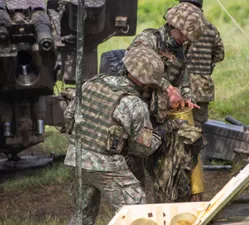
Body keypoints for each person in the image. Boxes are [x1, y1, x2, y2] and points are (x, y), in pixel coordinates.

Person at [64, 46, 184, 225]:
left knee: (83, 216)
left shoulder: (91, 83)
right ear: (149, 83)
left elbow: (68, 116)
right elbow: (142, 149)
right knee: (138, 212)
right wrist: (161, 131)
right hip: (106, 165)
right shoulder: (134, 105)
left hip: (75, 157)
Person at [127, 2, 207, 122]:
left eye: (187, 37)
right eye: (182, 34)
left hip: (162, 114)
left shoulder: (180, 47)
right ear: (171, 24)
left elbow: (183, 77)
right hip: (137, 111)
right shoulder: (148, 40)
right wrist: (169, 89)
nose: (184, 39)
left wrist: (187, 97)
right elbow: (139, 69)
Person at [180, 0, 225, 128]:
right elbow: (220, 55)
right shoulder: (211, 28)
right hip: (203, 86)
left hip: (183, 84)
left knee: (178, 123)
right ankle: (197, 147)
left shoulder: (179, 28)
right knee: (199, 125)